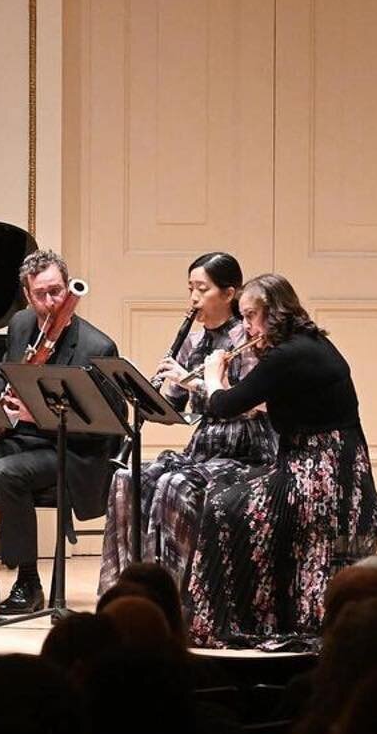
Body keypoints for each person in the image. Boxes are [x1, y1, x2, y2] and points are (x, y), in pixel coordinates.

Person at [185, 273, 377, 648]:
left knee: (224, 506)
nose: (246, 326)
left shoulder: (286, 355)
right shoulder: (311, 344)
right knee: (230, 495)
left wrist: (212, 375)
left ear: (274, 313)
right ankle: (262, 614)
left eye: (251, 316)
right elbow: (272, 401)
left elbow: (223, 405)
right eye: (242, 317)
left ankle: (236, 623)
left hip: (320, 475)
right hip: (336, 467)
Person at [0, 249, 119, 614]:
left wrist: (41, 414)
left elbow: (105, 426)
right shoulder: (22, 325)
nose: (51, 302)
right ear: (28, 294)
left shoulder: (96, 347)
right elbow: (2, 375)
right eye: (41, 294)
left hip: (73, 449)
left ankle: (28, 582)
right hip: (23, 439)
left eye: (57, 291)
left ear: (68, 289)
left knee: (5, 472)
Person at [99, 252, 277, 593]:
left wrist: (192, 382)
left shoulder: (247, 337)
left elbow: (251, 404)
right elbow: (173, 410)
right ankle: (126, 589)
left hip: (246, 449)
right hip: (205, 446)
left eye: (202, 289)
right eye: (190, 288)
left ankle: (176, 597)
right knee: (126, 478)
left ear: (229, 294)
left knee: (174, 484)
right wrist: (141, 392)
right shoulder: (193, 341)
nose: (194, 298)